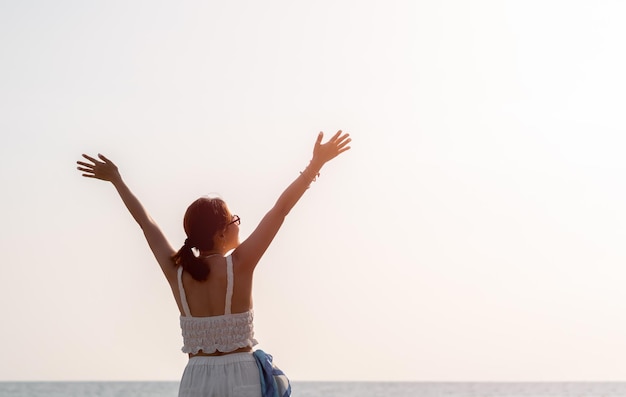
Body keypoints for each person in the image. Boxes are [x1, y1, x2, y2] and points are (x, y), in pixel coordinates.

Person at [76, 131, 351, 397]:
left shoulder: (177, 271)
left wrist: (117, 181)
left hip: (196, 376)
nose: (238, 225)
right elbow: (280, 210)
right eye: (234, 220)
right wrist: (316, 164)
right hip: (241, 375)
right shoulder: (240, 264)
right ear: (220, 233)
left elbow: (146, 223)